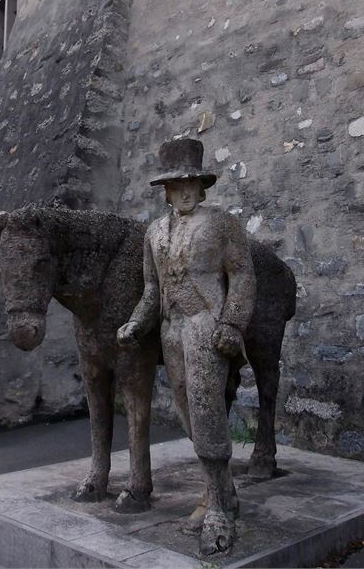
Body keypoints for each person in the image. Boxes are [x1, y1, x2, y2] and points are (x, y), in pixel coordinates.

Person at [117, 138, 256, 554]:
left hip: (206, 325)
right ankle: (222, 491)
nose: (186, 190)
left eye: (193, 182)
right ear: (166, 190)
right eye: (178, 185)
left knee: (206, 404)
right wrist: (137, 321)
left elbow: (243, 275)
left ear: (203, 185)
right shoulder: (154, 232)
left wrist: (232, 323)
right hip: (171, 329)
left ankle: (216, 507)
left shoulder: (221, 223)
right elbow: (151, 287)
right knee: (184, 407)